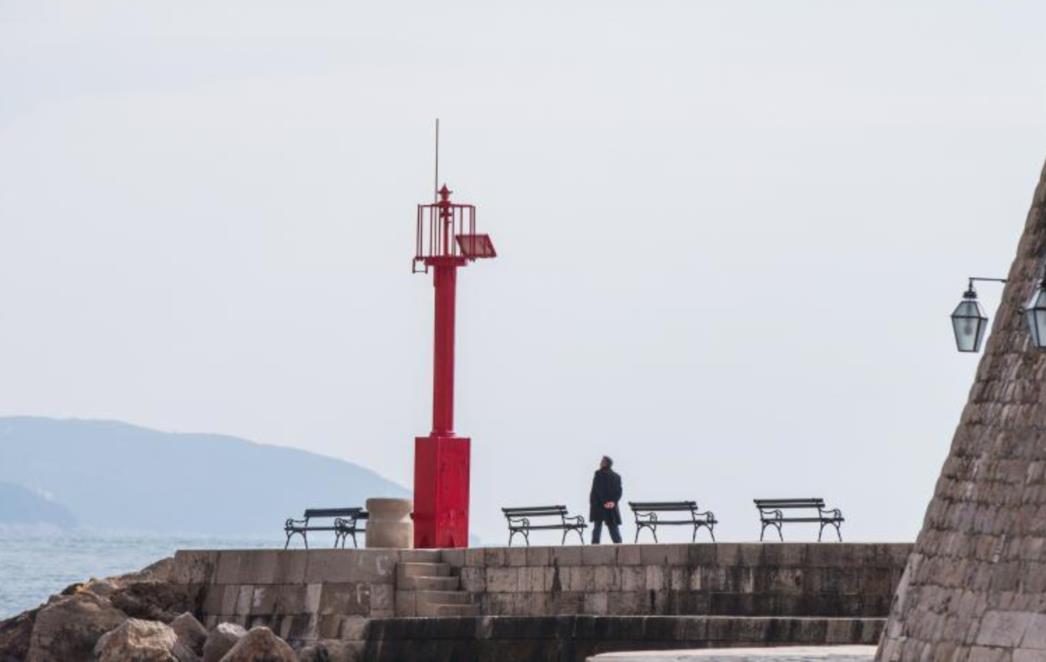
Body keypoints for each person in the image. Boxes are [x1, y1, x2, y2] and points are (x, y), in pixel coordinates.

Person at [589, 455, 623, 544]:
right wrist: (612, 502)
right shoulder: (617, 476)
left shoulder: (598, 473)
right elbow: (619, 492)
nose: (600, 463)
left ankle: (594, 547)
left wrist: (604, 502)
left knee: (597, 527)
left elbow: (598, 489)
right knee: (613, 526)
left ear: (605, 463)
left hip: (599, 504)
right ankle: (619, 545)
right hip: (611, 506)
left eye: (602, 461)